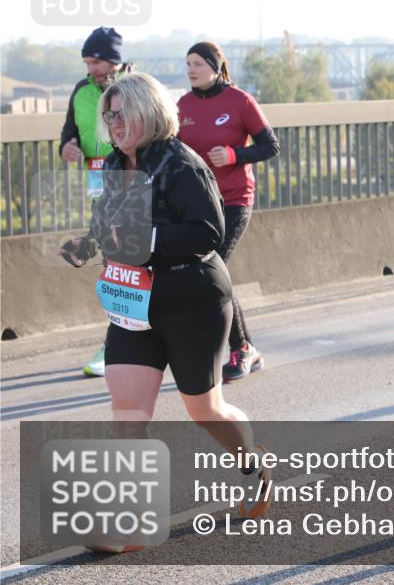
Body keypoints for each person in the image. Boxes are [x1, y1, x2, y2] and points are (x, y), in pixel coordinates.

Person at [59, 73, 271, 550]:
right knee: (129, 415)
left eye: (123, 113)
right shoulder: (114, 166)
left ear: (149, 113)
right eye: (108, 115)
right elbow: (108, 225)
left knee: (204, 408)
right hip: (133, 302)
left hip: (190, 296)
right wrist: (89, 244)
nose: (114, 123)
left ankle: (254, 465)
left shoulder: (182, 163)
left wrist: (145, 241)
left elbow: (208, 233)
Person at [178, 41, 279, 382]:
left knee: (213, 268)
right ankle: (241, 346)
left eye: (197, 64)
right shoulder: (182, 105)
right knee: (208, 272)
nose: (191, 69)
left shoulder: (239, 101)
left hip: (235, 200)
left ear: (216, 67)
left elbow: (270, 146)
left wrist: (235, 156)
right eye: (187, 63)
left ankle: (243, 349)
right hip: (199, 204)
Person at [60, 27, 136, 377]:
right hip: (98, 179)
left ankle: (128, 342)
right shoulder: (81, 89)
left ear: (113, 61)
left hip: (131, 179)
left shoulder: (135, 86)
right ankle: (117, 343)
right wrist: (68, 146)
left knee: (128, 261)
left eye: (95, 61)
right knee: (113, 260)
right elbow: (68, 131)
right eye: (86, 61)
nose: (89, 68)